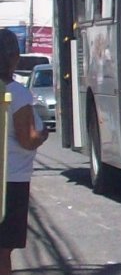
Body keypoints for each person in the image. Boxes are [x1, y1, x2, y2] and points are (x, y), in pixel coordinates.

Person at [0, 28, 49, 275]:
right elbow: (27, 139)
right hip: (10, 182)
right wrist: (43, 134)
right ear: (13, 58)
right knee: (2, 251)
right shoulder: (15, 94)